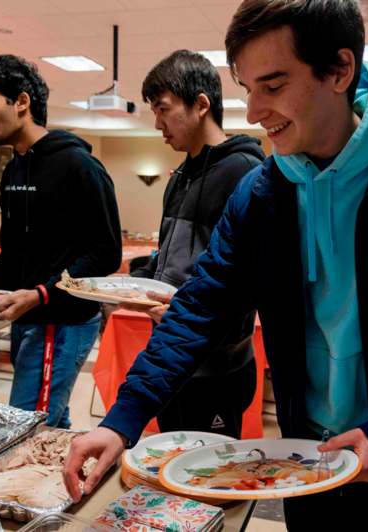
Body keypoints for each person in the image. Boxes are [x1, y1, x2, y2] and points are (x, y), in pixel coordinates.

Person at [64, 1, 368, 529]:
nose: (254, 111)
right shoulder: (262, 194)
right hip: (303, 456)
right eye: (248, 87)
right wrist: (122, 420)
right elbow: (200, 308)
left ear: (339, 70)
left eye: (274, 86)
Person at [0, 55, 122, 428]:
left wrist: (42, 293)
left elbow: (106, 253)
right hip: (29, 317)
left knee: (27, 425)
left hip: (63, 322)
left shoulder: (79, 166)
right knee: (49, 421)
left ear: (22, 102)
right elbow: (15, 257)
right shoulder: (13, 169)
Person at [129, 49, 265, 438]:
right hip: (170, 355)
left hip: (218, 364)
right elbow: (171, 256)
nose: (157, 123)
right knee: (170, 466)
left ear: (201, 104)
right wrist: (140, 282)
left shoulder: (246, 172)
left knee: (210, 480)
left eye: (163, 108)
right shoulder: (179, 176)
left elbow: (246, 278)